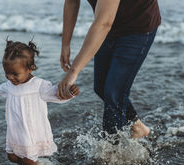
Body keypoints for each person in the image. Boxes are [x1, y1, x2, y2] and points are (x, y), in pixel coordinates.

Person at [57, 0, 161, 139]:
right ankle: (138, 127)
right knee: (100, 87)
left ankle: (111, 152)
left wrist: (73, 72)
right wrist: (65, 44)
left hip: (137, 26)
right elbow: (71, 2)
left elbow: (104, 24)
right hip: (109, 26)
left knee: (113, 93)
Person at [0, 39, 80, 165]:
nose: (10, 78)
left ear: (30, 68)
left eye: (15, 74)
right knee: (11, 156)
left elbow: (56, 94)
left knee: (28, 162)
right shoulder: (10, 84)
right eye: (7, 74)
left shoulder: (39, 86)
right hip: (15, 131)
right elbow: (3, 88)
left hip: (30, 132)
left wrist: (70, 92)